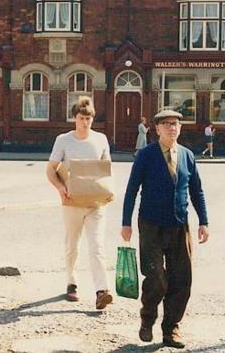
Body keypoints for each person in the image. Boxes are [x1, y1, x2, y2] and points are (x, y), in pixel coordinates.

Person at [121, 110, 209, 348]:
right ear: (157, 129)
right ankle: (147, 318)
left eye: (176, 124)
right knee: (156, 276)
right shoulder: (146, 155)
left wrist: (204, 221)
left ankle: (171, 329)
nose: (172, 127)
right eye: (167, 124)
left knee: (182, 280)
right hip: (151, 224)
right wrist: (126, 222)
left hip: (179, 224)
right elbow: (132, 189)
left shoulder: (188, 156)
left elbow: (196, 190)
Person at [46, 96, 113, 310]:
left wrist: (110, 190)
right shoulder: (64, 140)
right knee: (72, 245)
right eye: (82, 118)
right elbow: (51, 169)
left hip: (96, 203)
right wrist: (60, 188)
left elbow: (106, 169)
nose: (86, 122)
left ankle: (102, 291)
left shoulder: (101, 139)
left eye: (89, 119)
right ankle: (72, 282)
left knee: (97, 246)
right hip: (72, 202)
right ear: (75, 118)